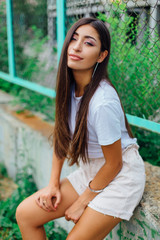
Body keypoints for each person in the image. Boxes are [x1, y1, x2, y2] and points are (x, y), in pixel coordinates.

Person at [16, 17, 146, 240]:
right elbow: (61, 138)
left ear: (101, 55)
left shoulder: (102, 101)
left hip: (121, 175)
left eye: (88, 43)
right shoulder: (70, 88)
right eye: (74, 39)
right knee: (26, 214)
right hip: (94, 171)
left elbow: (114, 163)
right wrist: (53, 185)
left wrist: (81, 202)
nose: (76, 47)